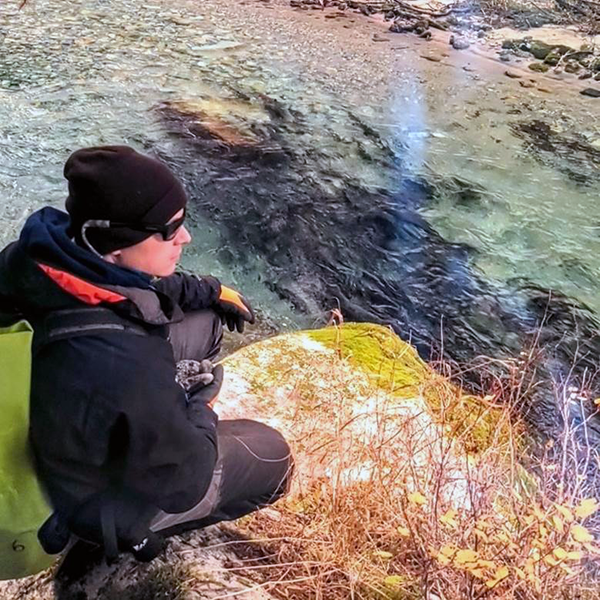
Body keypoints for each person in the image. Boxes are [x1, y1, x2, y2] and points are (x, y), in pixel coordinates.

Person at [0, 146, 293, 568]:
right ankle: (98, 540)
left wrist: (208, 290)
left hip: (58, 405)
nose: (185, 238)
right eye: (169, 230)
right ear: (114, 243)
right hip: (71, 495)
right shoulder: (124, 362)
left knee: (208, 321)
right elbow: (184, 480)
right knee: (274, 455)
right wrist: (199, 407)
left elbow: (120, 290)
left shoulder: (36, 255)